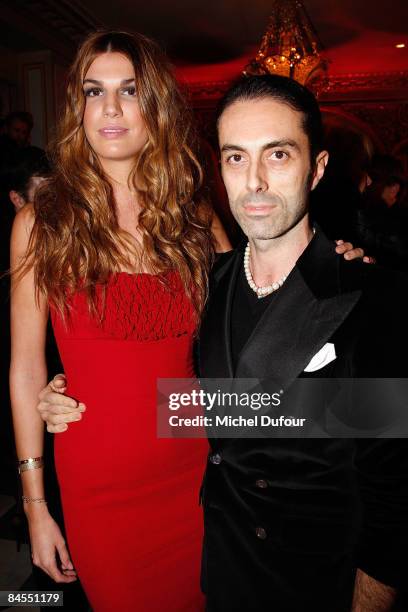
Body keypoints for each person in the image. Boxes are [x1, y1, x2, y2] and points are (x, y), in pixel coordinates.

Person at [31, 59, 365, 612]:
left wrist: (343, 272)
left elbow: (380, 456)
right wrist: (77, 391)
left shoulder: (368, 296)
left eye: (277, 154)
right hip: (178, 505)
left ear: (317, 168)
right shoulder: (224, 273)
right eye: (236, 157)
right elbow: (201, 389)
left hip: (282, 552)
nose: (254, 179)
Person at [10, 30, 231, 612]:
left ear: (155, 104)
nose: (108, 108)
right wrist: (36, 507)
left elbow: (251, 328)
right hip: (98, 484)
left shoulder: (194, 215)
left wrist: (336, 268)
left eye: (129, 91)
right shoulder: (42, 222)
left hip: (197, 474)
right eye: (93, 91)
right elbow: (26, 367)